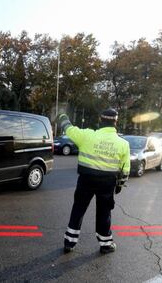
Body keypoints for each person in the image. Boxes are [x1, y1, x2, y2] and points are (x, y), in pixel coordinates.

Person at [57, 108, 130, 254]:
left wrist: (63, 116)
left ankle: (69, 243)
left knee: (78, 209)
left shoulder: (87, 136)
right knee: (104, 213)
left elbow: (69, 129)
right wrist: (120, 185)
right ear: (115, 122)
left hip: (86, 180)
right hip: (107, 184)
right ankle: (105, 245)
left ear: (100, 121)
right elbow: (125, 169)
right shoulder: (123, 144)